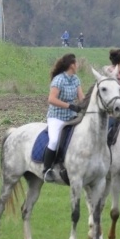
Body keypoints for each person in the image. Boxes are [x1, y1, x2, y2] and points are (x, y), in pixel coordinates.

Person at [43, 53, 85, 182]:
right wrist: (69, 106)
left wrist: (88, 105)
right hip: (57, 117)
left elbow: (81, 98)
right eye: (76, 63)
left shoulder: (76, 79)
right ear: (71, 65)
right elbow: (51, 99)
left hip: (71, 117)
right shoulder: (59, 80)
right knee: (54, 140)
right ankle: (47, 170)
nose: (78, 65)